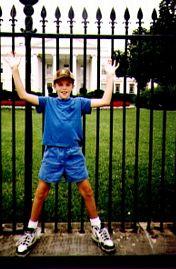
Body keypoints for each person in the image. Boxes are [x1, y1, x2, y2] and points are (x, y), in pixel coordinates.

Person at [6, 53, 119, 256]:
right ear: (55, 86)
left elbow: (105, 100)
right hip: (52, 154)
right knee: (41, 193)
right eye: (60, 84)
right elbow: (22, 94)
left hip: (74, 154)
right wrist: (14, 69)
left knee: (87, 191)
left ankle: (97, 229)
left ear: (72, 86)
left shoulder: (79, 103)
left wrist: (110, 76)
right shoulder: (47, 102)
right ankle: (31, 230)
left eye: (68, 84)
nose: (64, 87)